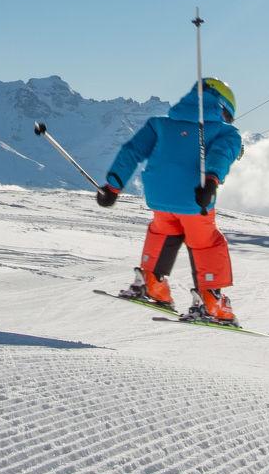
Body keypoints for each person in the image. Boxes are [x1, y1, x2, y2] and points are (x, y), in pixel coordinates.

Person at [97, 77, 245, 323]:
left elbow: (132, 151)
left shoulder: (159, 125)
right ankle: (211, 301)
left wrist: (113, 185)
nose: (226, 121)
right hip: (195, 199)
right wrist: (211, 181)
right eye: (227, 116)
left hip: (160, 197)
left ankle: (151, 283)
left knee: (164, 231)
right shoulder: (227, 133)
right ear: (221, 107)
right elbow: (220, 154)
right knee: (206, 242)